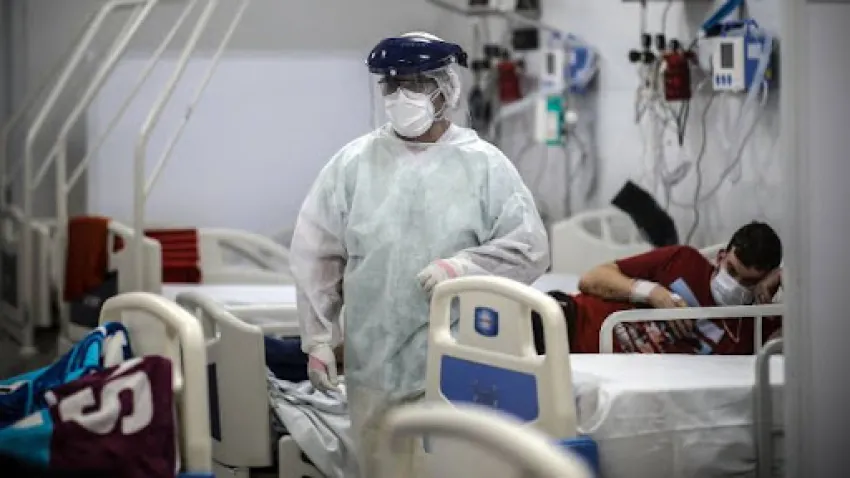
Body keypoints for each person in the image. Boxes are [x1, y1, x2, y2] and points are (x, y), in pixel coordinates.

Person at [289, 32, 549, 476]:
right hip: (375, 365)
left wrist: (463, 267)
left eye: (414, 83)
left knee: (452, 466)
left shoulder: (484, 165)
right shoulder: (353, 164)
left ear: (446, 88)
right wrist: (318, 339)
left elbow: (530, 246)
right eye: (391, 85)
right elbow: (317, 254)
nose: (400, 96)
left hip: (462, 359)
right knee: (381, 465)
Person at [532, 221, 783, 355]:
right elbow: (591, 279)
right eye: (731, 270)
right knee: (523, 323)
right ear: (720, 257)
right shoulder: (684, 261)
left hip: (594, 360)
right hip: (571, 322)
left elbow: (797, 355)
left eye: (748, 282)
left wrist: (785, 277)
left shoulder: (754, 326)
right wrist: (652, 293)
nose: (734, 285)